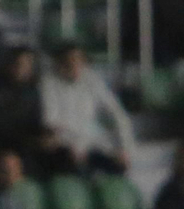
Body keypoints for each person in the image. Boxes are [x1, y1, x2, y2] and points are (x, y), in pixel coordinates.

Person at [40, 42, 134, 174]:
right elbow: (51, 123)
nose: (74, 64)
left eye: (78, 60)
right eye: (69, 60)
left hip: (91, 143)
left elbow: (117, 114)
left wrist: (124, 149)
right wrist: (75, 146)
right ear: (60, 63)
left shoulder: (92, 80)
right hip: (65, 145)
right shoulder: (49, 83)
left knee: (118, 166)